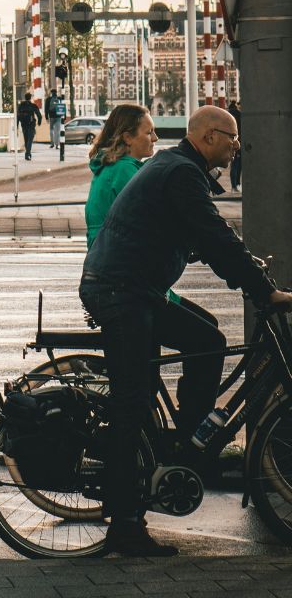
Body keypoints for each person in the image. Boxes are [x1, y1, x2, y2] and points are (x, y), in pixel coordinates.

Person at [80, 105, 292, 556]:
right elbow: (213, 234)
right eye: (232, 137)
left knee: (208, 340)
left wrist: (247, 269)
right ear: (209, 138)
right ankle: (125, 526)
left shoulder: (175, 168)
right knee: (131, 403)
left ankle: (190, 440)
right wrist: (262, 290)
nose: (238, 146)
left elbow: (201, 239)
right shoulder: (181, 173)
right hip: (121, 292)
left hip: (135, 287)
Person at [84, 104, 158, 246]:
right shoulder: (123, 170)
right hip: (118, 259)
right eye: (149, 133)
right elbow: (151, 217)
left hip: (103, 257)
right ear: (128, 137)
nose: (155, 138)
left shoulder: (111, 166)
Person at [16, 95, 42, 160]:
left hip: (23, 124)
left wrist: (17, 125)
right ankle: (27, 154)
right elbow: (39, 115)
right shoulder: (33, 105)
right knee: (30, 140)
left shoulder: (21, 106)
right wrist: (39, 122)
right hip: (31, 124)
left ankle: (28, 153)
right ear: (30, 98)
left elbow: (18, 115)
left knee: (26, 139)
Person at [228, 100, 242, 192]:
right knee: (238, 165)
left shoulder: (228, 115)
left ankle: (234, 186)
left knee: (234, 165)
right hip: (239, 142)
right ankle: (236, 185)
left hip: (230, 142)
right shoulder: (239, 114)